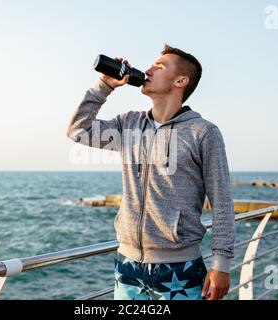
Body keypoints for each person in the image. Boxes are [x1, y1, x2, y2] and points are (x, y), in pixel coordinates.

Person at [67, 44, 235, 300]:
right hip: (128, 266)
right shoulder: (128, 125)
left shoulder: (203, 132)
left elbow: (222, 200)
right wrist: (104, 86)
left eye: (159, 66)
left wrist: (221, 263)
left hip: (181, 269)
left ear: (181, 80)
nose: (147, 70)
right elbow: (79, 131)